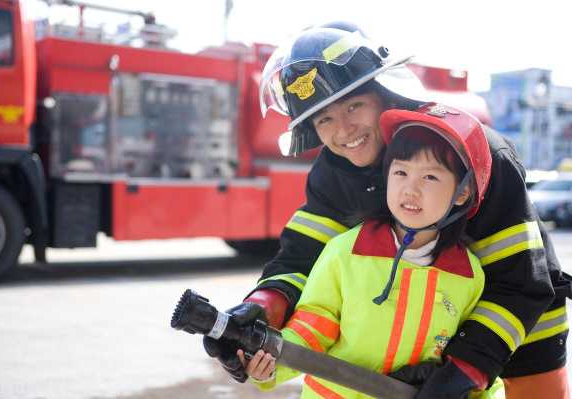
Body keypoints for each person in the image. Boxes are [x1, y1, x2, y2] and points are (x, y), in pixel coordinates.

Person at [203, 27, 571, 398]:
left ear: (383, 94)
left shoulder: (470, 152)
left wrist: (464, 369)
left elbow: (521, 282)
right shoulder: (335, 171)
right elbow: (301, 258)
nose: (343, 131)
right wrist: (260, 308)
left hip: (516, 320)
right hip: (425, 329)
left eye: (353, 106)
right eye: (324, 119)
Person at [239, 104, 503, 398]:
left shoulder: (468, 275)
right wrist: (274, 360)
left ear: (463, 193)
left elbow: (472, 371)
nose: (409, 190)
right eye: (400, 172)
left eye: (430, 177)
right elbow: (315, 322)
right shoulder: (346, 252)